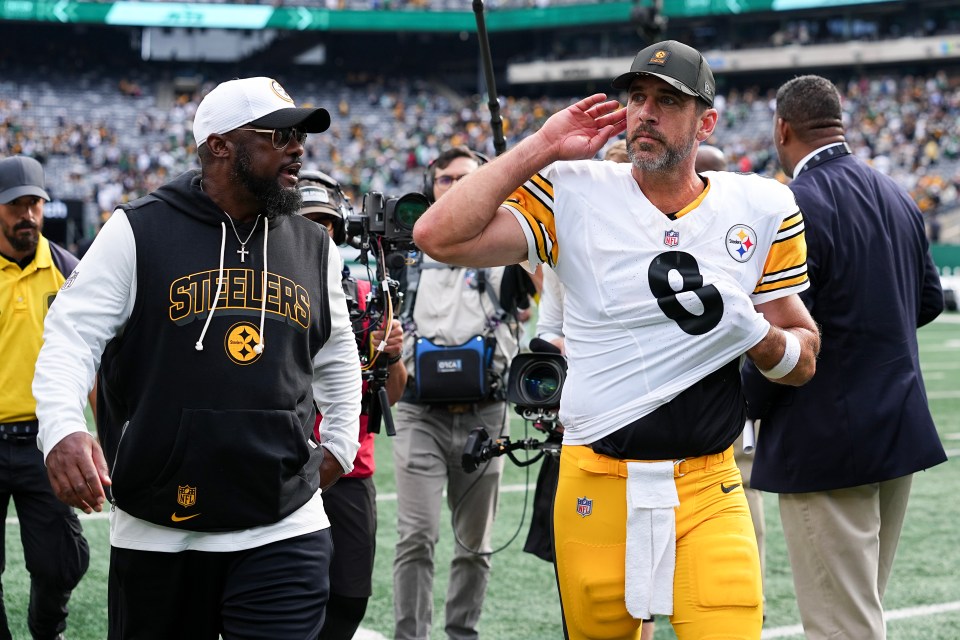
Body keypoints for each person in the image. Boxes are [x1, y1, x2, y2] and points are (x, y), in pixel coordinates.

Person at [413, 40, 820, 640]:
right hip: (596, 481)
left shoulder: (759, 206)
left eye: (668, 101)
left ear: (706, 122)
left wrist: (758, 337)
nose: (645, 113)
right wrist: (542, 146)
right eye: (637, 97)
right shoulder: (573, 190)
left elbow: (803, 360)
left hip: (708, 485)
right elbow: (437, 236)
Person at [32, 76, 363, 639]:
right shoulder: (137, 230)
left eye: (300, 137)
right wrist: (62, 428)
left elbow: (336, 351)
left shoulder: (314, 244)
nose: (297, 149)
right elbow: (70, 336)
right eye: (279, 136)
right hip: (161, 526)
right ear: (220, 145)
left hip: (284, 523)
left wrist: (340, 442)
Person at [742, 74, 947, 640]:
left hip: (827, 436)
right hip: (898, 425)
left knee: (843, 626)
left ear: (782, 129)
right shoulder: (896, 192)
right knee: (860, 614)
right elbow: (929, 300)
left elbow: (782, 333)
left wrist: (744, 399)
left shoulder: (794, 202)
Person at [392, 145, 521, 640]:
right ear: (430, 188)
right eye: (446, 179)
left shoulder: (509, 245)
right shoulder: (405, 255)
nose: (456, 187)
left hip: (484, 415)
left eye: (468, 178)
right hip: (418, 413)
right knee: (415, 538)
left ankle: (461, 633)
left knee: (474, 545)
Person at [296, 170, 408, 640]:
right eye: (307, 222)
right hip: (283, 463)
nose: (318, 233)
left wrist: (391, 355)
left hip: (349, 467)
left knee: (349, 595)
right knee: (284, 594)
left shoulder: (365, 296)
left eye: (325, 224)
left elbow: (392, 394)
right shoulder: (267, 291)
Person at [0, 155, 90, 640]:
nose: (28, 215)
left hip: (46, 439)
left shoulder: (69, 272)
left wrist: (105, 436)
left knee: (62, 562)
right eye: (16, 205)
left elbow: (93, 360)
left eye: (35, 203)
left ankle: (46, 631)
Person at [695, 142, 769, 607]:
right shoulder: (743, 231)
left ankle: (745, 596)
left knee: (740, 490)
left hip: (730, 398)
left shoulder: (739, 234)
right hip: (729, 397)